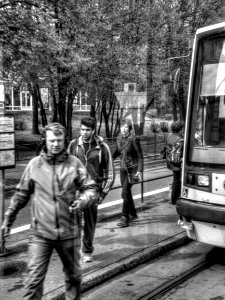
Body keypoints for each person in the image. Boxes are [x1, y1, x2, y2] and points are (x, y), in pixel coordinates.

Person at [1, 123, 97, 300]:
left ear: (64, 140)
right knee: (33, 283)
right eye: (52, 140)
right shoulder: (34, 165)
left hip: (69, 233)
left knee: (74, 279)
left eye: (59, 140)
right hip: (41, 234)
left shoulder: (74, 164)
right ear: (45, 139)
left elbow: (90, 188)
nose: (55, 144)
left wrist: (82, 201)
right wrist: (8, 220)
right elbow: (20, 195)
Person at [68, 117, 114, 263]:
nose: (84, 132)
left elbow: (110, 174)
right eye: (82, 129)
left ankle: (87, 251)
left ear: (93, 130)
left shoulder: (102, 147)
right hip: (76, 191)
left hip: (93, 191)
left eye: (87, 130)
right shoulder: (73, 145)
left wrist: (103, 193)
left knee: (89, 223)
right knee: (73, 223)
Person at [112, 118, 143, 228]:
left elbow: (140, 156)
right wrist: (108, 158)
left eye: (126, 127)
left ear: (129, 129)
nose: (123, 129)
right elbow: (116, 151)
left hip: (132, 169)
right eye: (122, 127)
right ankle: (133, 213)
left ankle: (125, 217)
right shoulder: (119, 138)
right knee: (127, 192)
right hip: (123, 168)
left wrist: (139, 170)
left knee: (124, 192)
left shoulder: (134, 139)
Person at [166, 120, 184, 205]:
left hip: (170, 161)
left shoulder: (169, 136)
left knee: (175, 179)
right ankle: (174, 199)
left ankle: (173, 197)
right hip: (177, 162)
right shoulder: (180, 139)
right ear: (180, 129)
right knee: (177, 181)